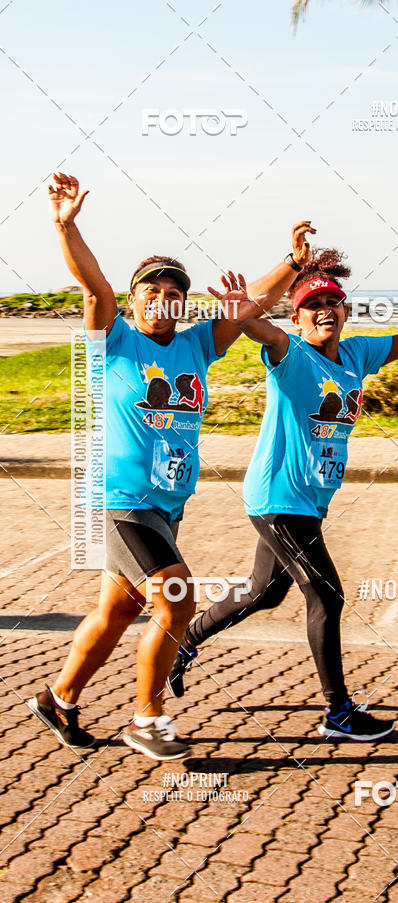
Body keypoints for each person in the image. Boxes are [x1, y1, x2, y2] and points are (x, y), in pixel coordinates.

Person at [28, 172, 315, 761]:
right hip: (120, 501)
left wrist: (291, 263)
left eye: (174, 291)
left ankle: (59, 698)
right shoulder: (113, 339)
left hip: (165, 508)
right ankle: (148, 718)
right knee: (179, 599)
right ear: (135, 300)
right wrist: (67, 225)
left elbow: (248, 307)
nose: (163, 298)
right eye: (151, 290)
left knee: (117, 611)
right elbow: (93, 287)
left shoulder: (194, 346)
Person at [169, 250, 398, 740]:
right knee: (326, 595)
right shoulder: (289, 353)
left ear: (346, 312)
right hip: (279, 498)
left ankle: (183, 642)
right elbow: (255, 326)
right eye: (312, 304)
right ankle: (338, 712)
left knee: (264, 592)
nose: (324, 309)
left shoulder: (357, 354)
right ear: (297, 318)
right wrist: (244, 309)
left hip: (308, 501)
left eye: (333, 302)